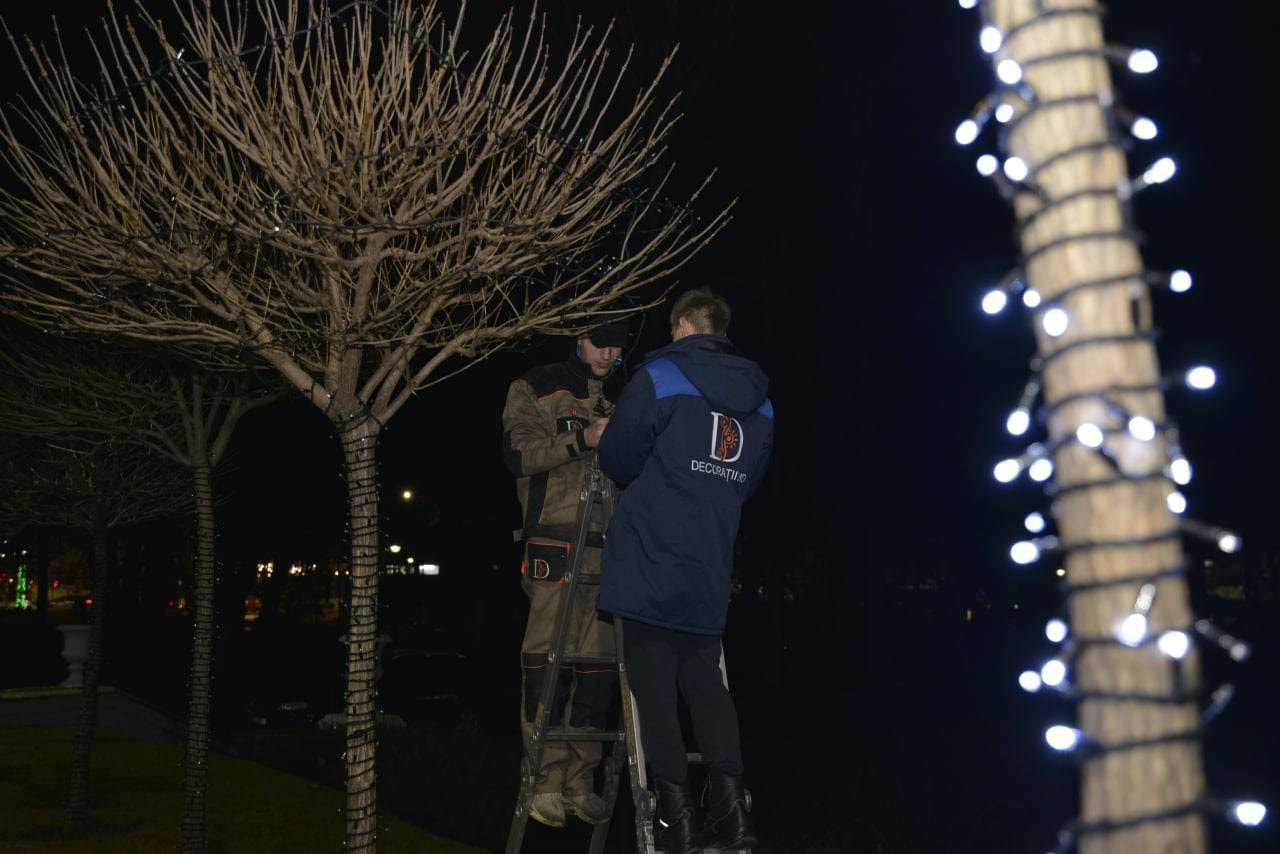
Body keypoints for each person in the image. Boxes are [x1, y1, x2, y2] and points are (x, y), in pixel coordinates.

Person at [597, 288, 773, 853]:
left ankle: (678, 819)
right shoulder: (762, 402)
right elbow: (747, 483)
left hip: (650, 556)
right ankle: (734, 814)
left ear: (681, 326)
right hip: (709, 561)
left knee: (653, 690)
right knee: (707, 686)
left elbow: (618, 456)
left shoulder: (662, 376)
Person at [501, 319, 629, 828]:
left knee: (598, 669)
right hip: (554, 540)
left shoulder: (628, 394)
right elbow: (518, 454)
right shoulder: (536, 384)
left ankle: (580, 781)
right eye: (600, 342)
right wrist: (584, 438)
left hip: (609, 548)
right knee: (546, 663)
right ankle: (543, 780)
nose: (608, 354)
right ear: (579, 337)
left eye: (617, 345)